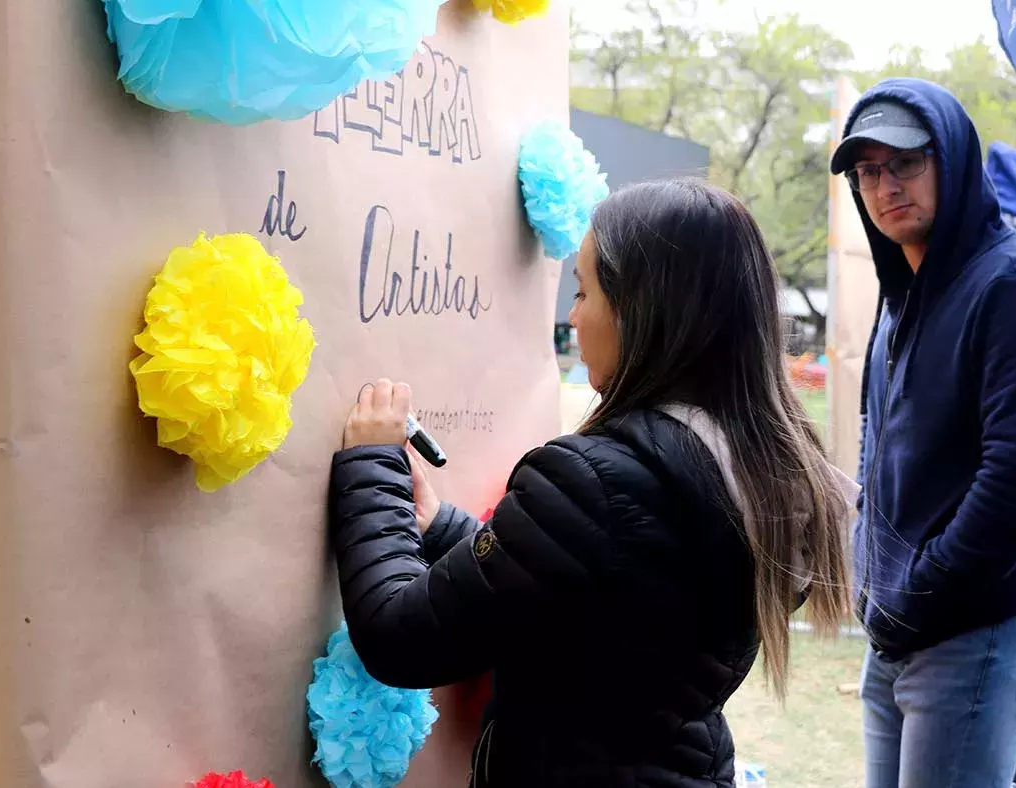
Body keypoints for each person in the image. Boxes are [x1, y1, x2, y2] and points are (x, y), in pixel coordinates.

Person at [327, 179, 855, 787]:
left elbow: (399, 637)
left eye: (584, 291)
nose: (573, 316)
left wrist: (371, 468)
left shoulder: (598, 482)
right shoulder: (764, 471)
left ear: (645, 310)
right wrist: (443, 528)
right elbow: (603, 601)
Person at [829, 78, 1016, 787]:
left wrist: (918, 592)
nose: (885, 186)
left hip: (980, 628)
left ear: (952, 159)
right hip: (900, 624)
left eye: (904, 163)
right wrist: (868, 565)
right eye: (868, 171)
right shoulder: (902, 291)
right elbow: (883, 434)